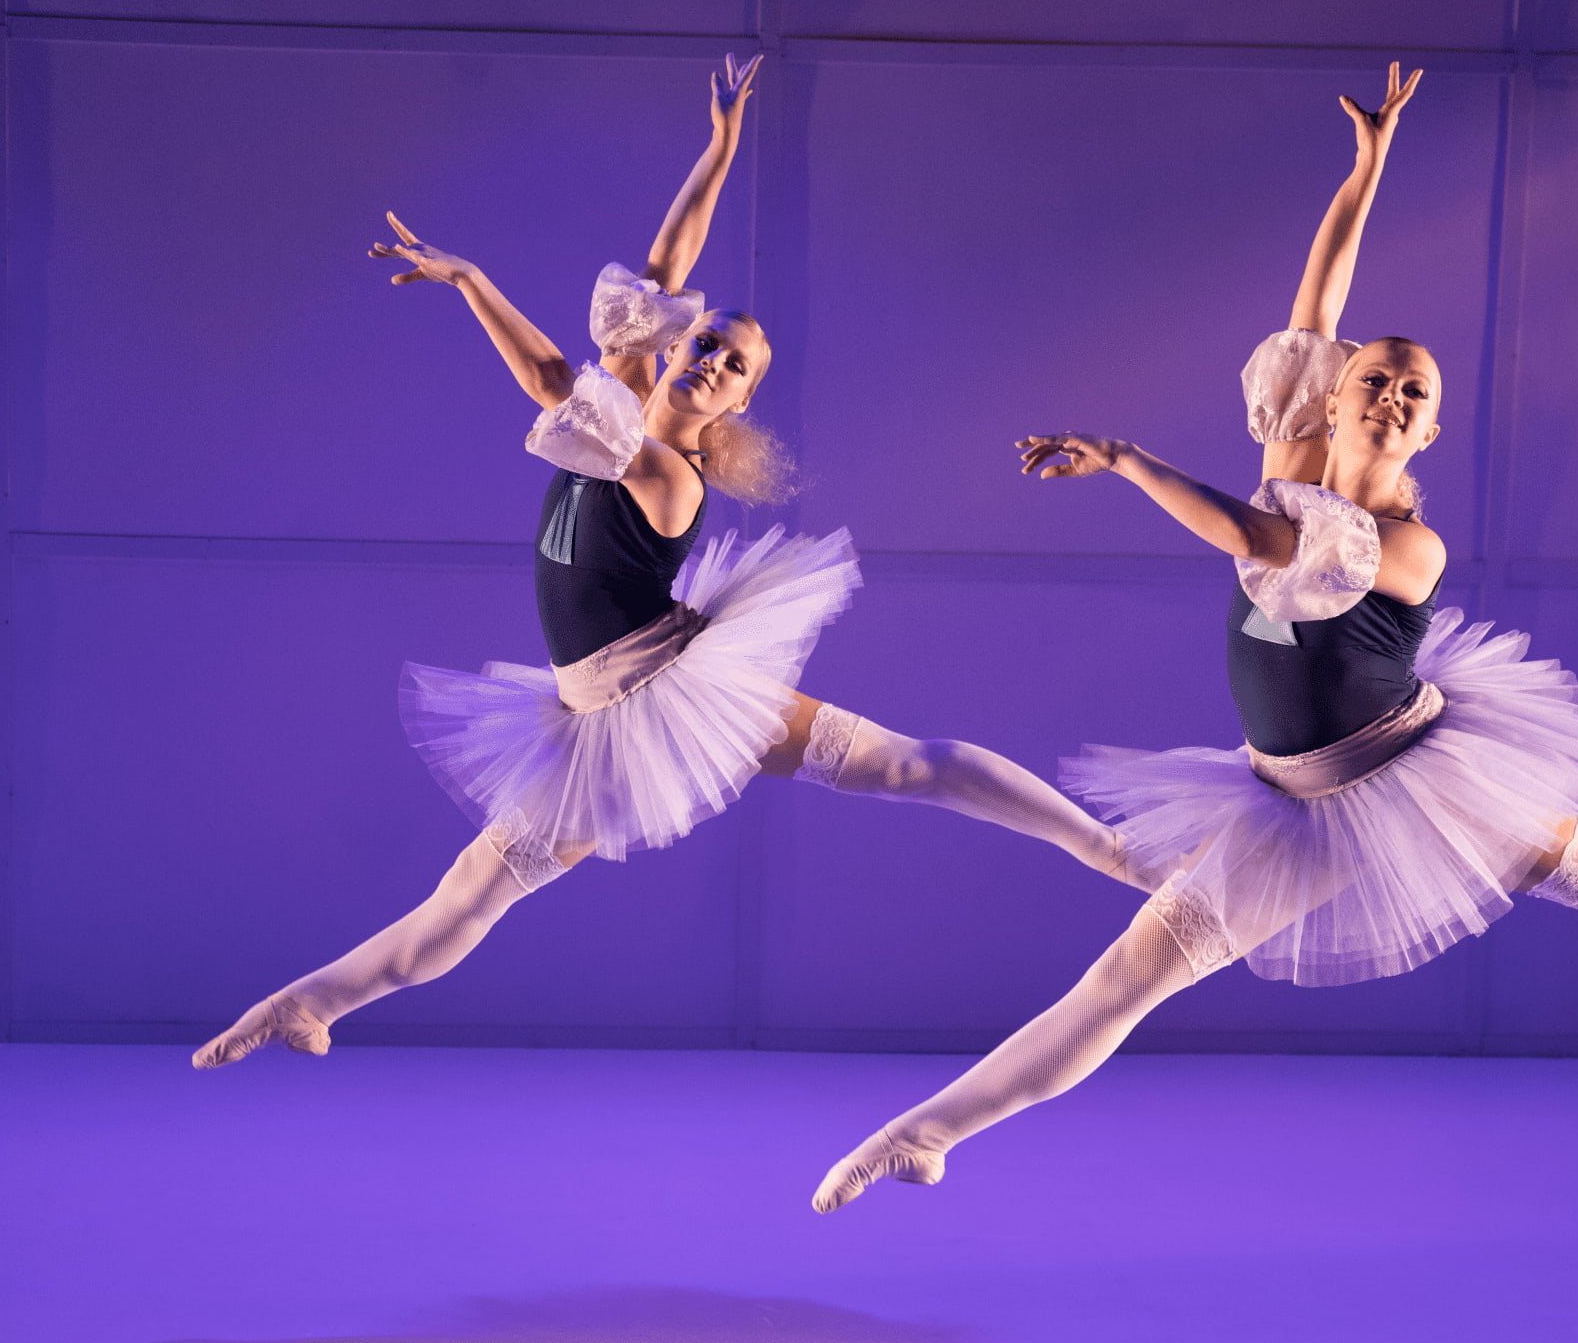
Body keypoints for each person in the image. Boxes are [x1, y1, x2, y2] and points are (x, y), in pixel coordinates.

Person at [810, 63, 1578, 1210]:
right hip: (1280, 800)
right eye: (1381, 376)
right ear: (1334, 396)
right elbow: (1315, 306)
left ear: (1428, 433)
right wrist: (1366, 170)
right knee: (1127, 976)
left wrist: (1124, 458)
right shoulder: (1295, 450)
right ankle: (925, 1134)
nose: (1397, 395)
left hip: (1417, 785)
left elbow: (1252, 539)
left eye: (1419, 393)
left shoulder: (1401, 543)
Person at [196, 55, 1140, 1069]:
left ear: (736, 406)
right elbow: (661, 267)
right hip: (585, 720)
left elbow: (551, 378)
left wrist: (470, 280)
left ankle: (1110, 849)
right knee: (471, 890)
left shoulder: (665, 471)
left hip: (674, 693)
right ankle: (306, 1004)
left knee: (902, 765)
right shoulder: (632, 384)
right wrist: (723, 146)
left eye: (736, 368)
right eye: (711, 344)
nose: (715, 362)